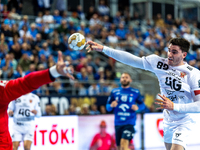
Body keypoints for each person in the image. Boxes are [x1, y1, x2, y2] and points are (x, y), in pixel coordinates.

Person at [86, 37, 200, 150]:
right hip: (168, 119)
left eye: (174, 52)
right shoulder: (158, 63)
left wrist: (174, 106)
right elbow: (131, 60)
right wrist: (104, 49)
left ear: (184, 55)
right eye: (169, 50)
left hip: (185, 119)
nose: (169, 54)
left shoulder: (193, 74)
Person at [0, 51, 73, 150]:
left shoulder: (2, 90)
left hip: (22, 129)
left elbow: (26, 82)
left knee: (26, 147)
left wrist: (53, 72)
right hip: (16, 126)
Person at [106, 72, 145, 150]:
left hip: (129, 123)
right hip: (118, 123)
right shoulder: (114, 92)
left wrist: (138, 108)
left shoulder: (135, 92)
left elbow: (142, 105)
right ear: (120, 80)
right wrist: (111, 105)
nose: (124, 79)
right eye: (123, 77)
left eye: (126, 77)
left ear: (130, 80)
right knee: (119, 148)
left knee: (124, 145)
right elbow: (107, 107)